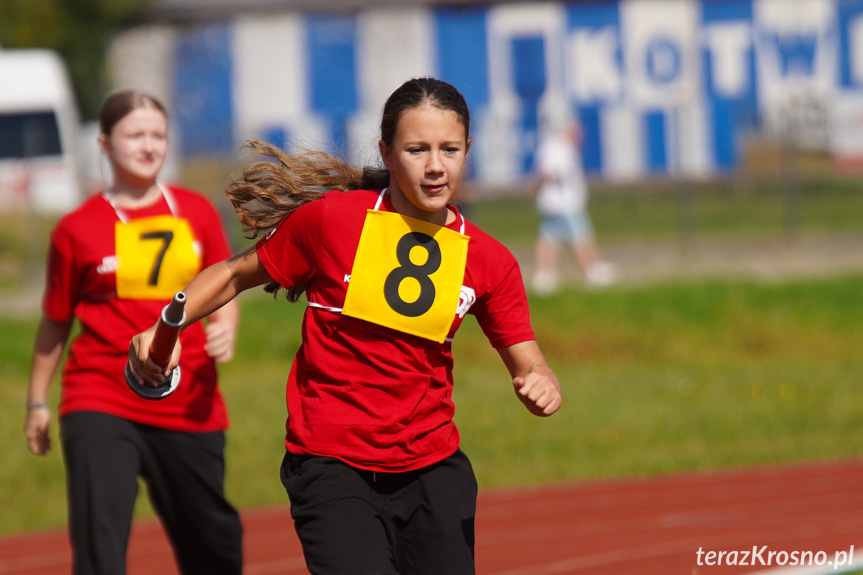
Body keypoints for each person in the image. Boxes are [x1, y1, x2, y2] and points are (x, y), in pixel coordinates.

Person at [128, 77, 562, 575]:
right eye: (417, 149)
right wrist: (168, 323)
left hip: (432, 468)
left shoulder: (490, 260)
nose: (436, 166)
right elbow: (233, 274)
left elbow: (528, 358)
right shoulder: (331, 221)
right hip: (330, 465)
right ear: (387, 151)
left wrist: (541, 383)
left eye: (450, 149)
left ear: (468, 151)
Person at [23, 90, 243, 575]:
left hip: (188, 398)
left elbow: (227, 284)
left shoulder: (197, 212)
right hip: (100, 393)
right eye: (135, 135)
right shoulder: (76, 228)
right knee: (100, 545)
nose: (149, 145)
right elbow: (56, 319)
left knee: (214, 543)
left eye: (158, 135)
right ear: (104, 143)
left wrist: (225, 326)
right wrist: (37, 402)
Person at [530, 114, 616, 293]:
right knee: (581, 236)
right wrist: (537, 187)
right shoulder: (559, 147)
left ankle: (544, 275)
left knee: (549, 238)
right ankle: (592, 271)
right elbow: (549, 172)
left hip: (555, 204)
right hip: (563, 204)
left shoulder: (556, 146)